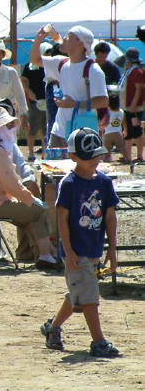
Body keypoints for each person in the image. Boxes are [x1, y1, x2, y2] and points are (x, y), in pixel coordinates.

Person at [41, 127, 120, 358]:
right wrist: (68, 250)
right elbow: (62, 218)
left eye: (97, 155)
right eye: (88, 157)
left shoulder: (104, 182)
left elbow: (110, 216)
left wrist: (112, 249)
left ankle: (52, 328)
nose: (94, 160)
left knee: (79, 296)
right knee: (89, 294)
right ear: (73, 157)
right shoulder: (69, 183)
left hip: (94, 248)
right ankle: (98, 341)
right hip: (75, 251)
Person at [0, 107, 58, 270]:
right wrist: (29, 198)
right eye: (7, 126)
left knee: (29, 214)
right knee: (38, 211)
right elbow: (9, 184)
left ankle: (47, 253)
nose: (11, 130)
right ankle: (47, 256)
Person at [30, 25, 108, 147]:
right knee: (54, 166)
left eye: (69, 36)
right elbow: (35, 60)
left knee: (78, 166)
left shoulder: (93, 70)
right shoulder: (61, 63)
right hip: (58, 130)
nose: (64, 38)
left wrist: (75, 104)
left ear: (80, 44)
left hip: (81, 132)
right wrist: (38, 39)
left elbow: (103, 101)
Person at [21, 43, 51, 161]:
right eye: (47, 52)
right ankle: (30, 153)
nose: (49, 55)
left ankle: (45, 152)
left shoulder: (51, 66)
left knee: (46, 129)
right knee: (32, 128)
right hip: (35, 102)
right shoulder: (30, 66)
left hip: (49, 101)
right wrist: (29, 92)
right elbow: (23, 81)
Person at [115, 47, 145, 163]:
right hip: (126, 105)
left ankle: (140, 156)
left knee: (136, 130)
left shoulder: (137, 72)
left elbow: (139, 89)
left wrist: (133, 104)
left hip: (134, 107)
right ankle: (128, 156)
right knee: (127, 130)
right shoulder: (129, 71)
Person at [102, 95, 126, 162]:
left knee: (107, 147)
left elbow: (106, 122)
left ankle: (107, 158)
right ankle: (126, 157)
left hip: (108, 133)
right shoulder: (121, 111)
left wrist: (100, 126)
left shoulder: (108, 112)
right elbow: (124, 121)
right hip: (118, 133)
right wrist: (125, 130)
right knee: (121, 146)